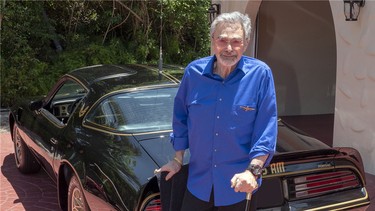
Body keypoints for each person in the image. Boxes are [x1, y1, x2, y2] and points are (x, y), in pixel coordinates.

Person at [156, 11, 278, 211]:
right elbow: (180, 118)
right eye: (222, 40)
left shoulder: (260, 74)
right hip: (197, 183)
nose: (229, 48)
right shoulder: (193, 73)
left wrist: (253, 172)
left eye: (236, 42)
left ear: (246, 43)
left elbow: (266, 130)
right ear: (213, 41)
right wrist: (177, 160)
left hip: (238, 186)